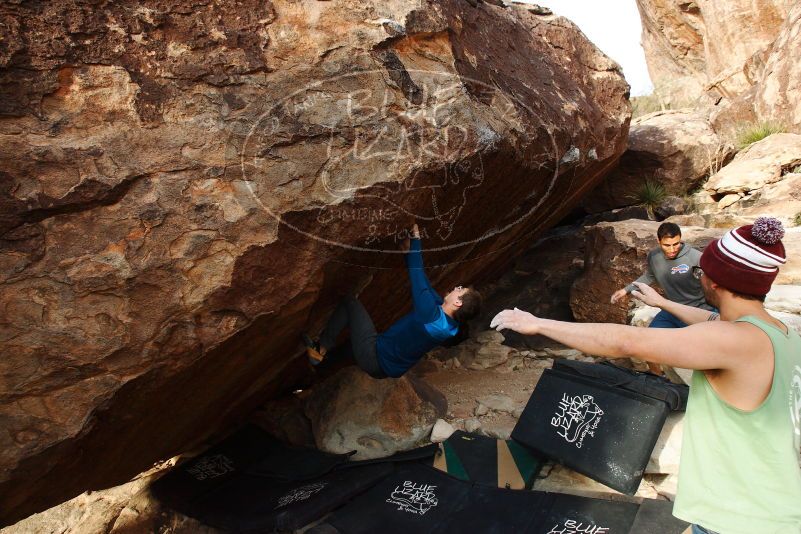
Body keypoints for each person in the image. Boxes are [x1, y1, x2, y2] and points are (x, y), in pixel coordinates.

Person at [491, 217, 801, 534]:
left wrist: (540, 324)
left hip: (741, 518)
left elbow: (628, 342)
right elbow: (709, 317)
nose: (699, 277)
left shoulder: (735, 342)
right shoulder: (781, 334)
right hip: (765, 506)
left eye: (700, 272)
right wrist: (661, 302)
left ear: (715, 281)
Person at [304, 224, 482, 379]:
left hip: (375, 356)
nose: (456, 288)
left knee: (350, 303)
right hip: (384, 367)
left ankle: (320, 348)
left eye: (460, 289)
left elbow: (418, 277)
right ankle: (322, 366)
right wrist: (407, 253)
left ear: (458, 303)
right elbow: (425, 286)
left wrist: (416, 239)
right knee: (352, 344)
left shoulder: (430, 316)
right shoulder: (450, 325)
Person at [610, 222, 714, 373]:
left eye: (676, 244)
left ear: (680, 239)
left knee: (701, 360)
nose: (672, 249)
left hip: (697, 311)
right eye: (667, 245)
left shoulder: (696, 258)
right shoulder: (654, 256)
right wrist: (626, 290)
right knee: (647, 344)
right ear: (659, 242)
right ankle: (658, 381)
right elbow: (649, 276)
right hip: (671, 310)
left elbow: (713, 285)